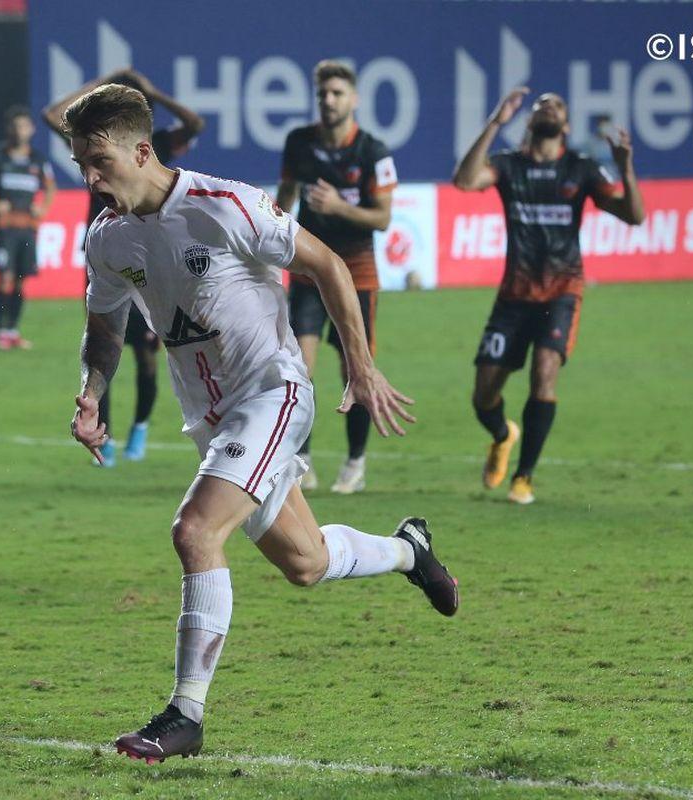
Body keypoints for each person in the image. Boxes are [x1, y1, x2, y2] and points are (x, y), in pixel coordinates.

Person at [65, 84, 458, 762]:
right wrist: (94, 389)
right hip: (213, 420)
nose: (90, 179)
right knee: (305, 563)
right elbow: (104, 324)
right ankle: (409, 551)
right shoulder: (107, 238)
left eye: (100, 162)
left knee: (194, 530)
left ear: (142, 149)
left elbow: (328, 266)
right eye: (81, 165)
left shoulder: (226, 207)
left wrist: (360, 368)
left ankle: (185, 715)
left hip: (272, 393)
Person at [453, 88, 643, 504]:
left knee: (545, 370)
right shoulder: (508, 165)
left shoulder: (581, 168)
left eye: (557, 105)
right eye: (542, 105)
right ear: (530, 121)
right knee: (483, 394)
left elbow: (634, 215)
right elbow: (464, 180)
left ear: (567, 125)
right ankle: (503, 435)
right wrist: (495, 122)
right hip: (513, 298)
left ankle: (524, 477)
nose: (549, 108)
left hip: (562, 292)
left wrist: (626, 169)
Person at [44, 68, 204, 466]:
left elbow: (195, 123)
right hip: (107, 255)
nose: (93, 174)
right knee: (102, 343)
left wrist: (153, 92)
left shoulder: (155, 142)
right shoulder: (96, 143)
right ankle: (106, 432)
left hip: (153, 255)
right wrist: (97, 89)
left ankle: (140, 428)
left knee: (147, 357)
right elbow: (55, 116)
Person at [276, 60, 398, 494]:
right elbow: (284, 201)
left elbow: (382, 218)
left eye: (337, 93)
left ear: (354, 99)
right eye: (323, 94)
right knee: (299, 367)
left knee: (355, 367)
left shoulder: (373, 152)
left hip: (357, 273)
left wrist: (337, 206)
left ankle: (355, 462)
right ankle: (301, 458)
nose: (329, 100)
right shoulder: (298, 143)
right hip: (310, 270)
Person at [0, 105, 56, 350]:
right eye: (16, 127)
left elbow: (50, 187)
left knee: (20, 280)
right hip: (6, 228)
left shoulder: (37, 159)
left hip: (28, 227)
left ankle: (13, 331)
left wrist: (43, 207)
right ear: (9, 130)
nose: (20, 131)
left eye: (24, 126)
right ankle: (1, 332)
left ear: (32, 130)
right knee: (5, 277)